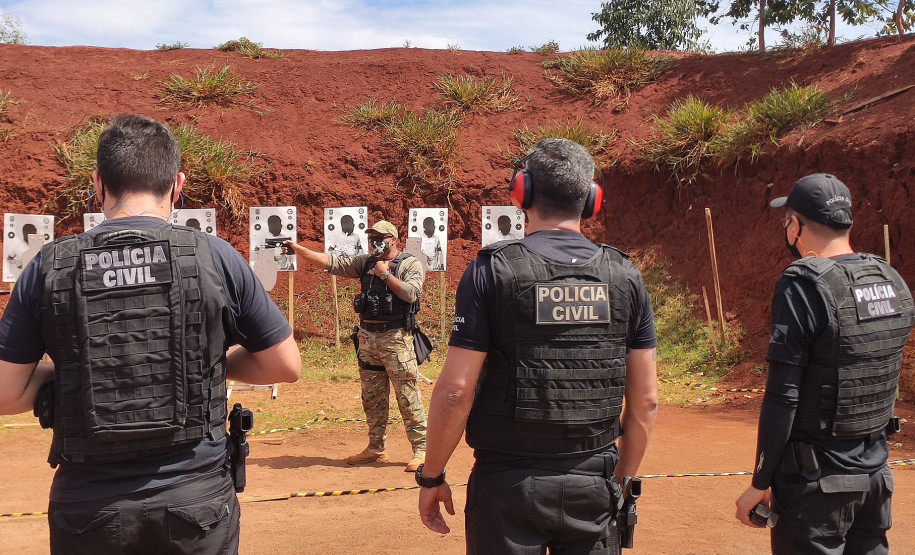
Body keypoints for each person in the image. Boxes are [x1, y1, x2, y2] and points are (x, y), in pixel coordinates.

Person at [0, 114, 302, 554]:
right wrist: (208, 366)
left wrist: (75, 372)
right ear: (177, 185)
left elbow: (6, 394)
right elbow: (285, 365)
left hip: (89, 505)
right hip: (194, 502)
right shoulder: (214, 257)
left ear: (98, 183)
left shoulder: (49, 266)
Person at [418, 138, 659, 553]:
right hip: (595, 480)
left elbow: (456, 392)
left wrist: (433, 475)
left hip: (508, 485)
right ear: (590, 199)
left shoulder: (492, 271)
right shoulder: (625, 276)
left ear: (521, 192)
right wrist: (621, 480)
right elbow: (647, 400)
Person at [735, 173, 914, 554]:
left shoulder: (802, 285)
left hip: (817, 488)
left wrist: (760, 481)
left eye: (788, 221)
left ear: (796, 226)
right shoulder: (890, 278)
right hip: (876, 478)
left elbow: (783, 396)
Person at [285, 220, 428, 472]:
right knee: (372, 398)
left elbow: (411, 293)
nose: (374, 240)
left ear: (393, 239)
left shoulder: (409, 264)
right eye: (371, 235)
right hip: (368, 338)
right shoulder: (365, 262)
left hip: (396, 339)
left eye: (380, 236)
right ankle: (376, 448)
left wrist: (385, 275)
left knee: (407, 395)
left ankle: (421, 449)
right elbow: (330, 261)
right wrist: (299, 250)